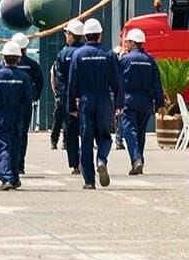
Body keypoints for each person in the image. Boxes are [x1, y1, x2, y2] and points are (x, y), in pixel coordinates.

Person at [68, 18, 122, 189]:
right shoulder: (109, 54)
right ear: (100, 35)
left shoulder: (78, 55)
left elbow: (72, 83)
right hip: (104, 99)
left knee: (86, 139)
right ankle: (102, 159)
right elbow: (117, 82)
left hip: (86, 100)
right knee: (105, 136)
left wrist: (71, 106)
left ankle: (89, 181)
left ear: (84, 36)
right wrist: (119, 103)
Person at [0, 41, 36, 191]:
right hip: (17, 116)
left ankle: (7, 178)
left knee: (3, 146)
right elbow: (28, 99)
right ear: (19, 58)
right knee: (15, 146)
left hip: (1, 115)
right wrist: (25, 117)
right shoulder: (24, 77)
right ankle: (14, 176)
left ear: (3, 57)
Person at [118, 27, 163, 175]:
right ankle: (139, 160)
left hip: (129, 100)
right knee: (141, 132)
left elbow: (118, 82)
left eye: (127, 42)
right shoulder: (150, 60)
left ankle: (136, 159)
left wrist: (116, 103)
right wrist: (160, 105)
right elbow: (157, 84)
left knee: (129, 131)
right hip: (146, 102)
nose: (126, 45)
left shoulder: (124, 60)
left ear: (132, 43)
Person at [9, 32, 44, 177]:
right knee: (22, 134)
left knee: (9, 134)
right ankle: (20, 165)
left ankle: (10, 163)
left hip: (10, 104)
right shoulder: (33, 65)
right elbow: (40, 82)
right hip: (26, 104)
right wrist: (34, 97)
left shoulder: (7, 66)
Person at [53, 20, 86, 168]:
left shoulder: (63, 54)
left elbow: (59, 78)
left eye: (67, 33)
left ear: (72, 35)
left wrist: (67, 96)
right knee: (87, 131)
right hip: (87, 97)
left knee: (71, 132)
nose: (66, 36)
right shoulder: (86, 52)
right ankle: (86, 160)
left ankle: (74, 164)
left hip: (69, 98)